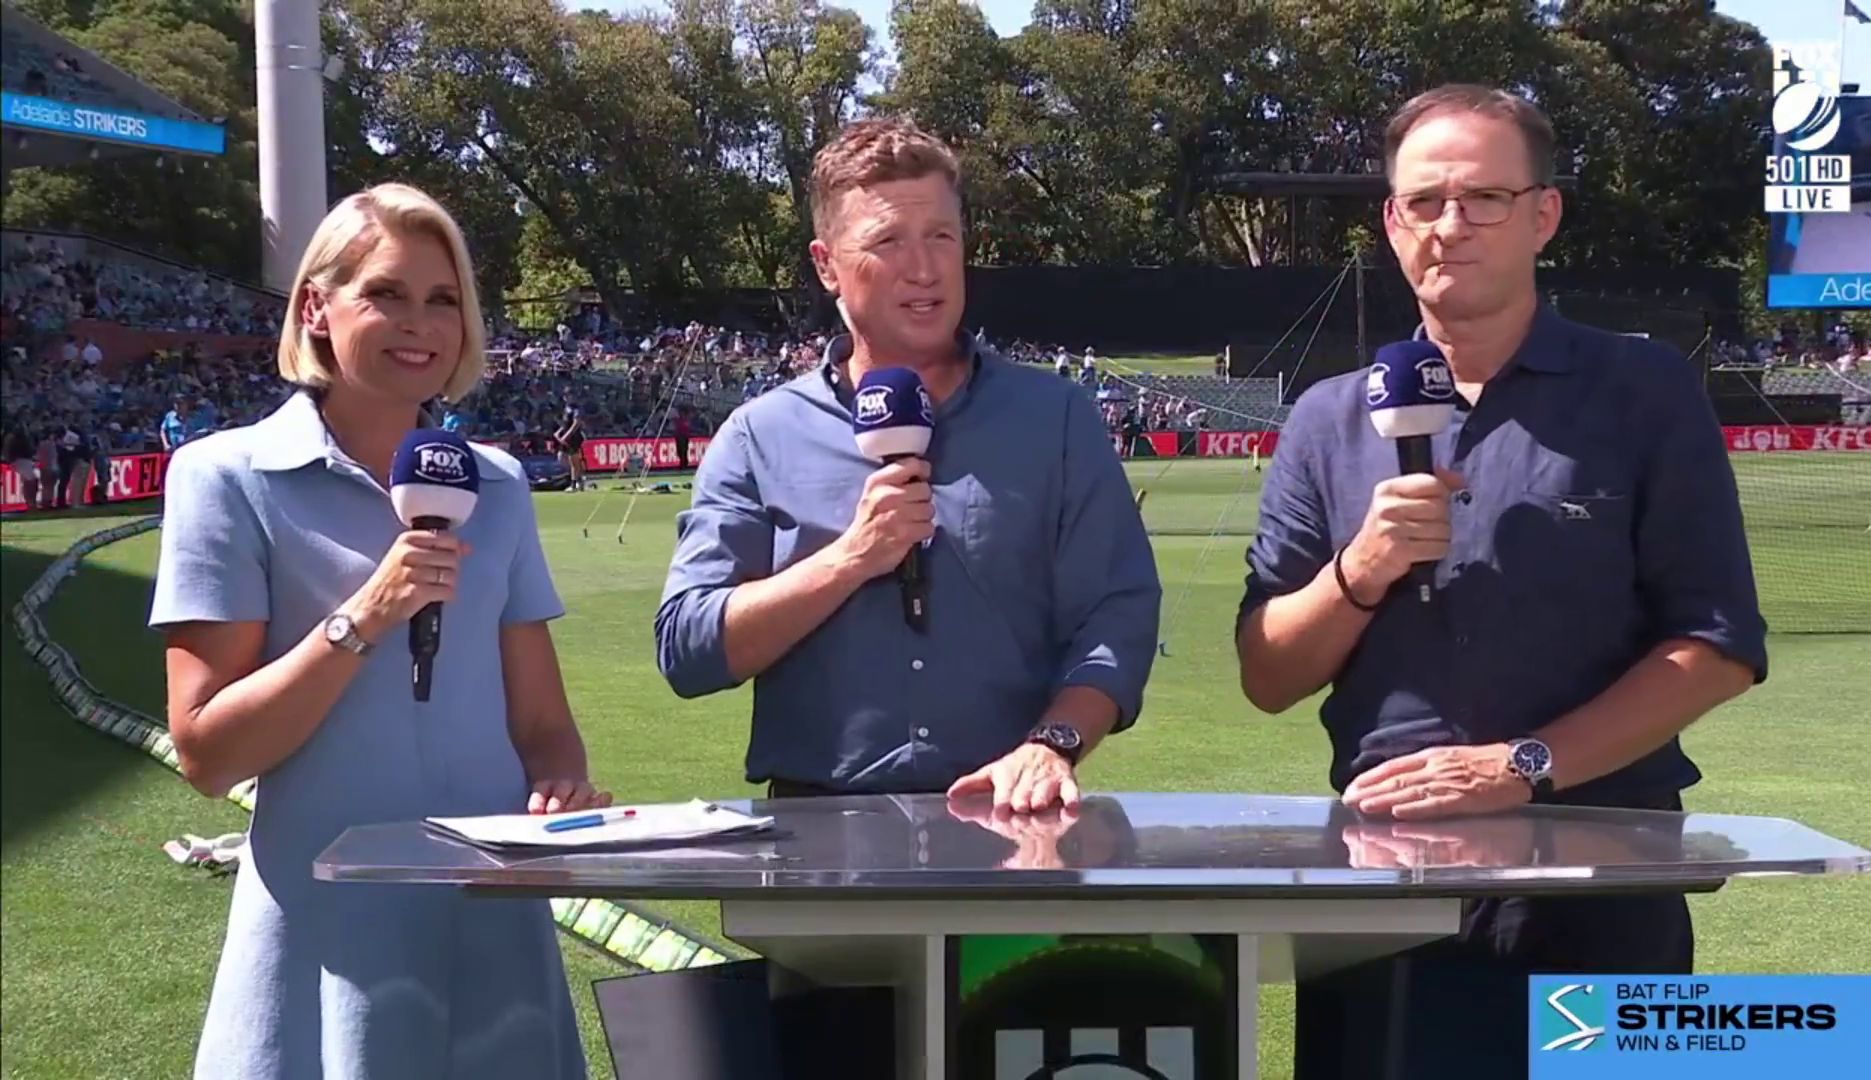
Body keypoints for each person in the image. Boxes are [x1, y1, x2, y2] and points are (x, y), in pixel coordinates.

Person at [1234, 85, 1767, 1078]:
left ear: (1543, 215)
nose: (1451, 225)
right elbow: (1267, 674)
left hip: (1602, 881)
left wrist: (1522, 764)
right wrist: (1362, 568)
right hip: (1382, 889)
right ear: (1392, 222)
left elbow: (1717, 646)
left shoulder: (1644, 390)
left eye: (1484, 197)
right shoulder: (1325, 418)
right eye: (1425, 201)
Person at [150, 183, 608, 1079]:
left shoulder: (499, 485)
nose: (420, 324)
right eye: (386, 293)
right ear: (315, 308)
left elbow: (543, 726)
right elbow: (207, 755)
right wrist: (364, 616)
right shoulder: (224, 478)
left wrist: (561, 787)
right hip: (328, 926)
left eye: (444, 299)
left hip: (492, 919)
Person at [656, 118, 1161, 811]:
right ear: (826, 264)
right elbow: (688, 650)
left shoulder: (1057, 419)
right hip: (816, 834)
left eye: (941, 237)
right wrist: (849, 560)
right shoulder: (758, 436)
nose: (924, 269)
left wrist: (1053, 743)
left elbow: (1118, 614)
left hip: (1011, 821)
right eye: (888, 241)